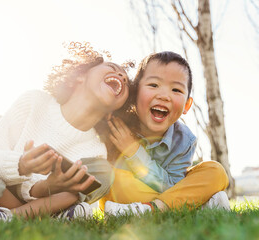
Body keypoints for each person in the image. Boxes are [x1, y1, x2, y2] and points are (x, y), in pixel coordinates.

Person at [0, 42, 131, 221]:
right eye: (113, 68)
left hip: (42, 203)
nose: (121, 75)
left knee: (103, 172)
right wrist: (20, 165)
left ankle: (9, 218)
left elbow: (73, 192)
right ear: (80, 76)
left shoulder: (96, 151)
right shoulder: (34, 101)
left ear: (115, 110)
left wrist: (45, 188)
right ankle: (22, 216)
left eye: (126, 82)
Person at [98, 51, 230, 215]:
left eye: (176, 90)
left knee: (216, 171)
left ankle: (151, 210)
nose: (164, 96)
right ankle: (197, 206)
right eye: (153, 85)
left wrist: (134, 152)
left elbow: (173, 186)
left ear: (187, 105)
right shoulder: (117, 123)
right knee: (112, 178)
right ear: (134, 93)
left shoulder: (184, 140)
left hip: (161, 195)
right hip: (124, 193)